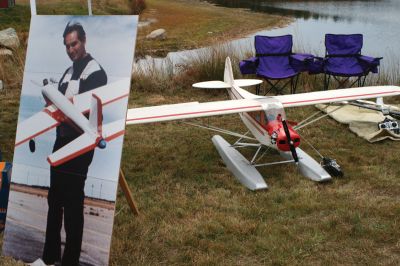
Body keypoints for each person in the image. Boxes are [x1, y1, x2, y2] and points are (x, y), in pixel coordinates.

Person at [42, 22, 107, 266]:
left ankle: (70, 261)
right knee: (53, 201)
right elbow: (59, 105)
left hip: (80, 146)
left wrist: (64, 104)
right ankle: (49, 258)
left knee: (72, 206)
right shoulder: (68, 73)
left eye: (74, 44)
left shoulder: (96, 71)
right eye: (67, 45)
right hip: (60, 142)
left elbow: (85, 106)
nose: (71, 49)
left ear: (84, 41)